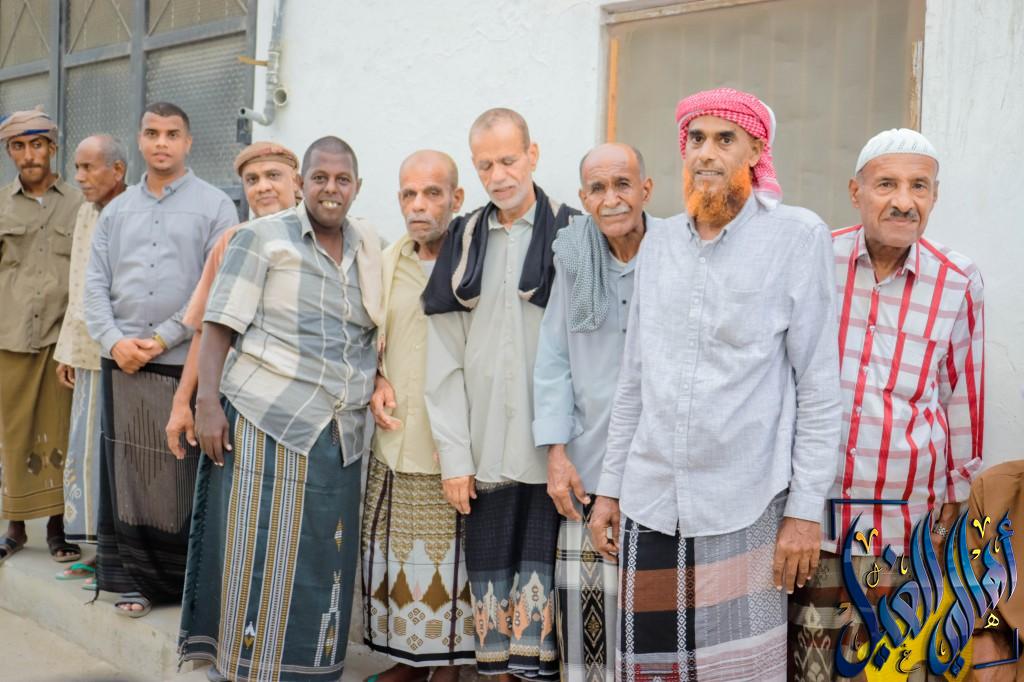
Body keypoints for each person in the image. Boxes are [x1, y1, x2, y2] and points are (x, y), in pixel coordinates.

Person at [590, 88, 842, 681]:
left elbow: (819, 387)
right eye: (696, 138)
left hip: (746, 506)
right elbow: (634, 381)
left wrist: (805, 513)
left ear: (756, 151)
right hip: (652, 502)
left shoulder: (797, 237)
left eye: (725, 139)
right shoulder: (659, 243)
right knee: (650, 672)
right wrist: (609, 491)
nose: (707, 152)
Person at [179, 136, 383, 681]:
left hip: (340, 432)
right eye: (320, 178)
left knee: (322, 560)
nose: (331, 189)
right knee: (256, 555)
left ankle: (309, 671)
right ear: (302, 183)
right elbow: (218, 325)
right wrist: (206, 403)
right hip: (265, 420)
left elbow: (376, 330)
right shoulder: (262, 238)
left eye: (342, 180)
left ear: (357, 187)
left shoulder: (369, 246)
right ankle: (240, 668)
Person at [788, 129, 985, 681]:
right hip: (813, 518)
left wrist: (957, 494)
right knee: (809, 663)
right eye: (886, 185)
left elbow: (962, 392)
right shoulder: (814, 258)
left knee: (890, 665)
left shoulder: (957, 280)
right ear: (856, 192)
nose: (904, 200)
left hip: (903, 524)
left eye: (919, 186)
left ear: (934, 195)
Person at [422, 108, 579, 680]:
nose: (499, 175)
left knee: (553, 623)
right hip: (484, 455)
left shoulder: (574, 233)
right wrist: (455, 459)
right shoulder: (463, 240)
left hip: (556, 456)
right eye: (485, 165)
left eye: (509, 160)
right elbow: (442, 362)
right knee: (493, 630)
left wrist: (572, 450)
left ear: (532, 155)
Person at [83, 101, 237, 616]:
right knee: (126, 473)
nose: (162, 142)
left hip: (182, 364)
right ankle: (131, 580)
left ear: (188, 142)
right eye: (152, 133)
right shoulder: (116, 210)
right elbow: (94, 285)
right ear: (140, 140)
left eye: (172, 134)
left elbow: (214, 289)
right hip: (122, 361)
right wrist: (114, 341)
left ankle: (178, 584)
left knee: (176, 477)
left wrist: (164, 336)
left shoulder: (216, 206)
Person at [532, 142, 652, 682]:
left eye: (622, 184)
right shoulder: (574, 257)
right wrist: (556, 453)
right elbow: (553, 358)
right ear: (583, 198)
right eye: (598, 188)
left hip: (660, 476)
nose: (611, 198)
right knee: (588, 629)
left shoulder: (677, 256)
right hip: (589, 467)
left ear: (646, 189)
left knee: (657, 625)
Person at [362, 150, 474, 682]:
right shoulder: (388, 262)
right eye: (409, 194)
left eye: (432, 193)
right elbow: (365, 335)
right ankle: (407, 663)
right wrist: (375, 379)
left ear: (456, 198)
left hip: (451, 446)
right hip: (396, 439)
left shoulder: (474, 263)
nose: (419, 205)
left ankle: (447, 671)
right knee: (396, 563)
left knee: (450, 567)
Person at [164, 141, 302, 458]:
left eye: (273, 175)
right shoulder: (231, 241)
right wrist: (182, 402)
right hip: (240, 400)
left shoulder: (323, 239)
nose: (263, 186)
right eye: (252, 180)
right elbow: (206, 328)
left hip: (303, 405)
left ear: (297, 183)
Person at [0, 108, 83, 565]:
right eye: (18, 146)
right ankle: (14, 526)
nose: (29, 155)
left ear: (52, 147)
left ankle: (57, 526)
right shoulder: (1, 205)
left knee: (62, 433)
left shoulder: (80, 203)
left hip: (63, 339)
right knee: (14, 432)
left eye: (37, 145)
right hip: (10, 335)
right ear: (9, 152)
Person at [53, 135, 128, 584]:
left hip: (123, 353)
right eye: (77, 168)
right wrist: (68, 349)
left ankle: (119, 554)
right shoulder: (86, 212)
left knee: (118, 453)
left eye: (88, 168)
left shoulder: (134, 211)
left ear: (117, 170)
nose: (79, 177)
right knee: (87, 450)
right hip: (86, 353)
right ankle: (99, 551)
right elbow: (77, 284)